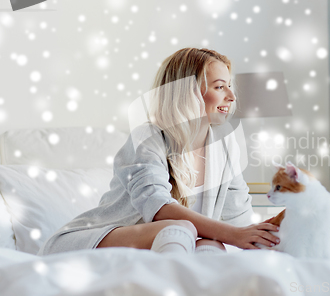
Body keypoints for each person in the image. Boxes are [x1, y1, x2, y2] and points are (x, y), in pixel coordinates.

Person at [38, 48, 280, 256]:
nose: (231, 96)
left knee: (211, 243)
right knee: (181, 228)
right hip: (81, 244)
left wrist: (269, 232)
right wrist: (234, 234)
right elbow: (158, 207)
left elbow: (239, 220)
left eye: (229, 85)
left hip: (167, 241)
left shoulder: (224, 146)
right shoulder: (147, 138)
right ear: (188, 92)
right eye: (219, 86)